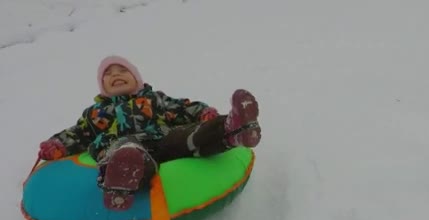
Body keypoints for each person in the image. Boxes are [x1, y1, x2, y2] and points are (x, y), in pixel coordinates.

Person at [37, 55, 261, 210]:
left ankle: (232, 129)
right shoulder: (96, 113)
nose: (116, 74)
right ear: (102, 86)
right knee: (126, 153)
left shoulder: (155, 99)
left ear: (137, 78)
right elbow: (78, 133)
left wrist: (203, 113)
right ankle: (121, 181)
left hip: (161, 137)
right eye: (109, 73)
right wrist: (57, 145)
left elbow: (182, 107)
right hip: (123, 145)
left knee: (189, 136)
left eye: (123, 70)